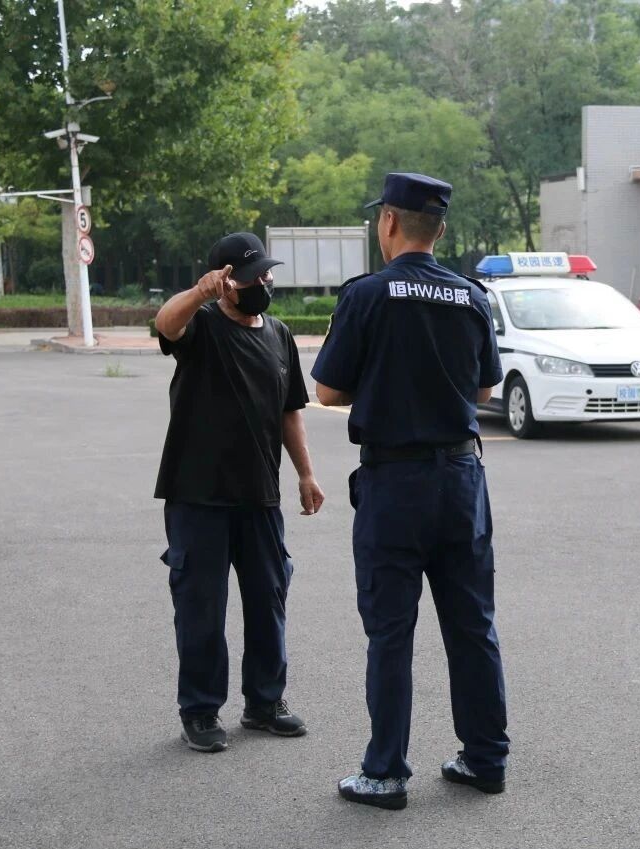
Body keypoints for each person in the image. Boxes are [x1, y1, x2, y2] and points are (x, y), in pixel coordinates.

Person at [313, 173, 508, 810]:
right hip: (461, 481)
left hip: (394, 484)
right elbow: (484, 389)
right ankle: (485, 760)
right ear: (440, 229)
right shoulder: (470, 296)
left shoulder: (367, 295)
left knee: (391, 633)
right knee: (473, 626)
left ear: (390, 222)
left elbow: (328, 391)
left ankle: (386, 773)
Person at [153, 232, 324, 752]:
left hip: (260, 496)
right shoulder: (201, 325)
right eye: (253, 276)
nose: (264, 282)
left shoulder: (279, 334)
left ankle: (265, 703)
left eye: (267, 273)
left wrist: (305, 474)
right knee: (201, 609)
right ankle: (201, 711)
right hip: (198, 497)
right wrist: (198, 293)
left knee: (269, 600)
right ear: (226, 282)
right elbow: (165, 324)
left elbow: (290, 411)